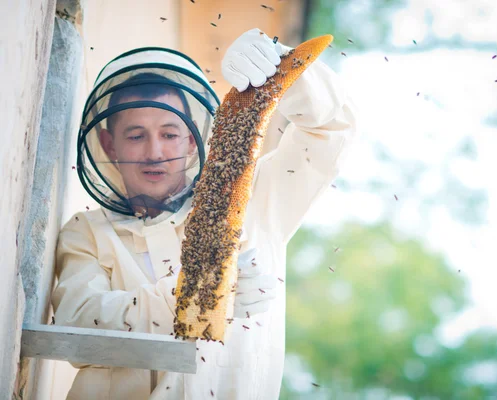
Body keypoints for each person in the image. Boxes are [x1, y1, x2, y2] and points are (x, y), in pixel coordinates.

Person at [52, 28, 358, 399]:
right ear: (107, 143)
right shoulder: (87, 231)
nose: (154, 152)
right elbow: (77, 324)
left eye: (169, 133)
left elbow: (331, 132)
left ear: (194, 134)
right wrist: (202, 294)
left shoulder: (256, 201)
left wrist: (283, 70)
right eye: (136, 135)